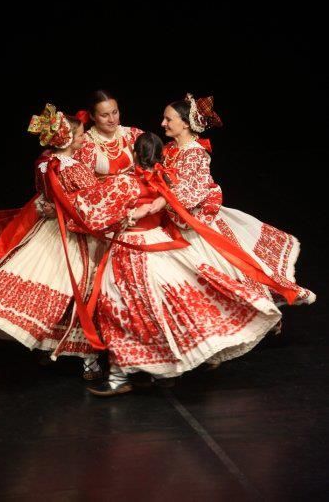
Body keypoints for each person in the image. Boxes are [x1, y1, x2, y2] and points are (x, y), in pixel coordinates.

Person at [68, 132, 285, 396]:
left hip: (131, 249)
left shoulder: (124, 183)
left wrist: (121, 215)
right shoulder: (166, 179)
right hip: (160, 245)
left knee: (118, 307)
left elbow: (94, 214)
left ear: (135, 154)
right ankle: (158, 374)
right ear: (159, 155)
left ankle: (120, 377)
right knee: (160, 308)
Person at [0, 105, 105, 379]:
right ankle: (89, 361)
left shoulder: (44, 163)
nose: (83, 138)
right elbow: (93, 202)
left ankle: (47, 348)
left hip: (48, 231)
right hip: (73, 237)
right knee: (83, 293)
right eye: (78, 135)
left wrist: (52, 208)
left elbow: (44, 198)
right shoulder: (73, 167)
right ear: (66, 138)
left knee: (56, 288)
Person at [154, 94, 315, 334]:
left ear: (185, 123)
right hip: (175, 223)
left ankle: (261, 316)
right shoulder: (169, 149)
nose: (163, 123)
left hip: (198, 227)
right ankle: (210, 332)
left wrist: (160, 189)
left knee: (225, 277)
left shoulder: (196, 153)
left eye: (168, 119)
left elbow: (190, 195)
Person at [73, 90, 143, 177]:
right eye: (104, 115)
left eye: (115, 112)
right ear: (92, 116)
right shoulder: (84, 144)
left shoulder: (133, 134)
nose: (112, 120)